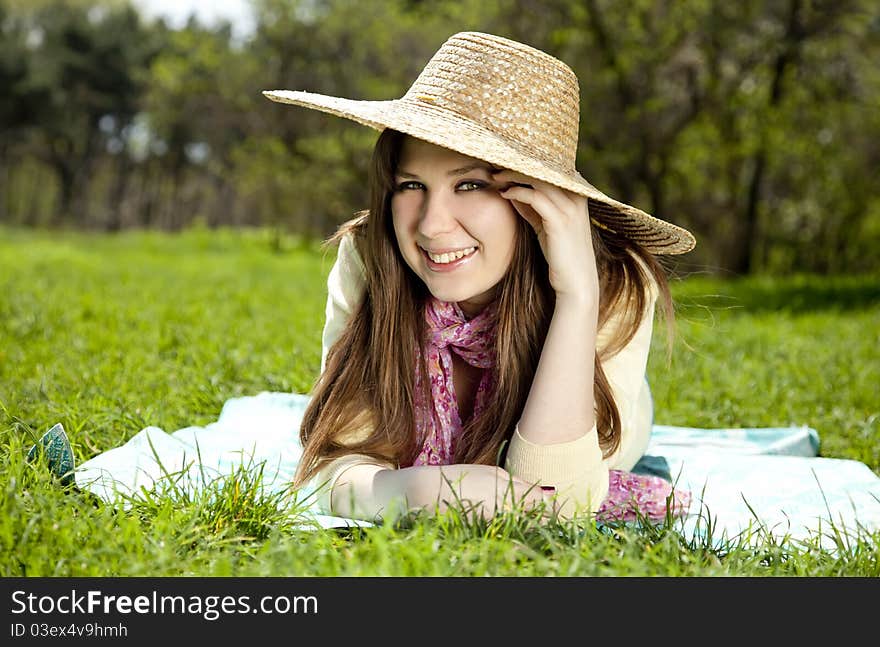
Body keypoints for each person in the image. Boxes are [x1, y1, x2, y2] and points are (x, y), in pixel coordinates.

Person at [261, 31, 696, 523]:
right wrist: (417, 490)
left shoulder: (613, 280)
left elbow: (561, 500)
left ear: (539, 199)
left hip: (617, 407)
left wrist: (576, 295)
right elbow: (334, 458)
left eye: (470, 184)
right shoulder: (372, 255)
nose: (430, 225)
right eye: (411, 185)